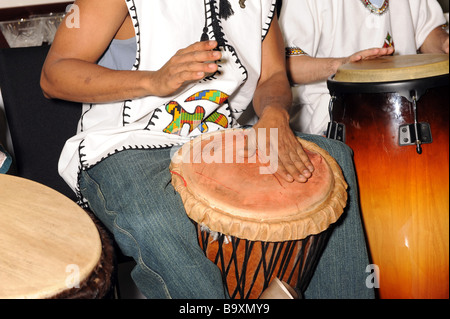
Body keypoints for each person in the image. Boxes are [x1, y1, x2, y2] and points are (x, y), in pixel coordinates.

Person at [41, 0, 373, 299]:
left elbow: (273, 75)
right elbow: (53, 75)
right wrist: (152, 81)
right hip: (123, 144)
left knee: (330, 165)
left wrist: (274, 112)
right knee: (155, 214)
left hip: (218, 141)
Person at [280, 0, 449, 135]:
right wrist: (342, 65)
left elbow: (426, 30)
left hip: (408, 109)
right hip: (332, 119)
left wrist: (444, 43)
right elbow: (287, 66)